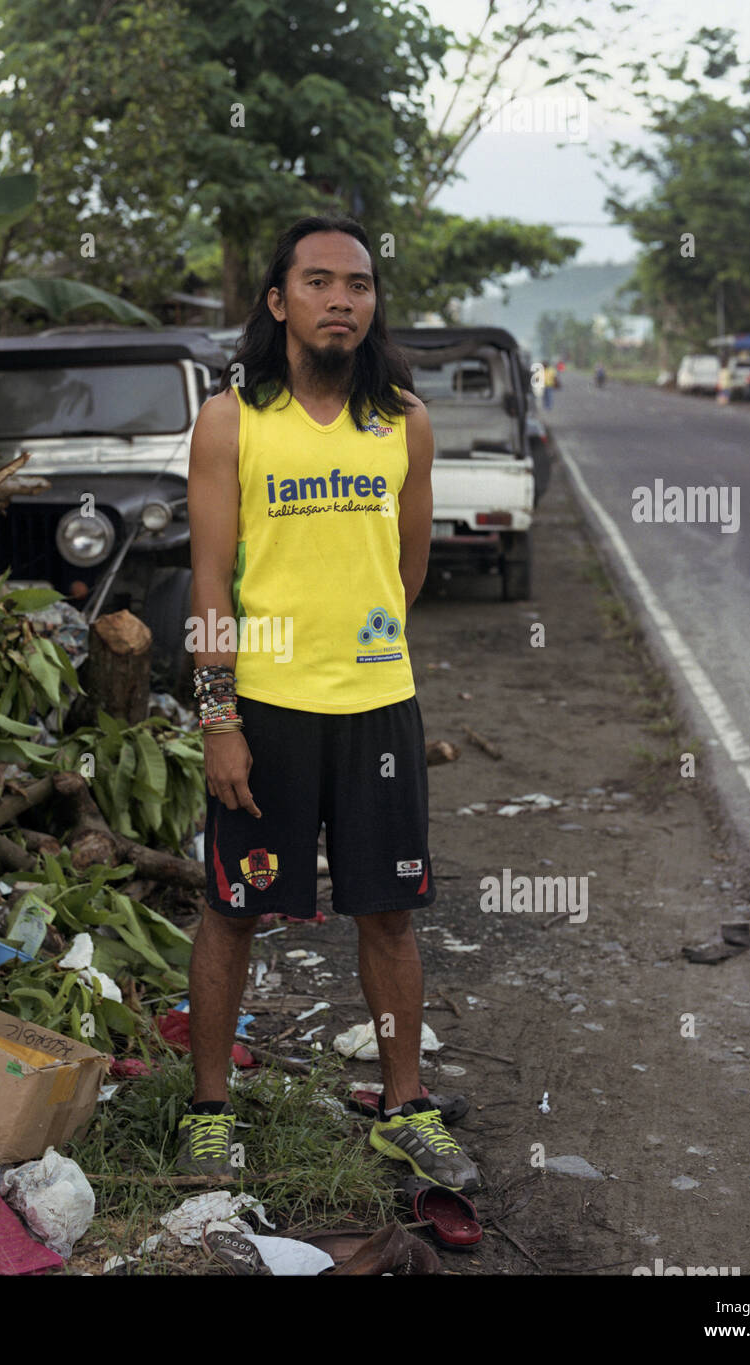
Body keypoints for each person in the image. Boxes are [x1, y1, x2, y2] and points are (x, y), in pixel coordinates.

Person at [181, 214, 480, 1195]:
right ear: (279, 302)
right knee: (233, 910)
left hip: (376, 707)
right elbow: (210, 586)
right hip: (264, 712)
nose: (341, 298)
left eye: (357, 284)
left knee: (388, 913)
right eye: (317, 282)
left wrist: (359, 651)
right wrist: (218, 719)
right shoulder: (231, 420)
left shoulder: (404, 421)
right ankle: (211, 1112)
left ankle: (403, 1107)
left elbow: (407, 571)